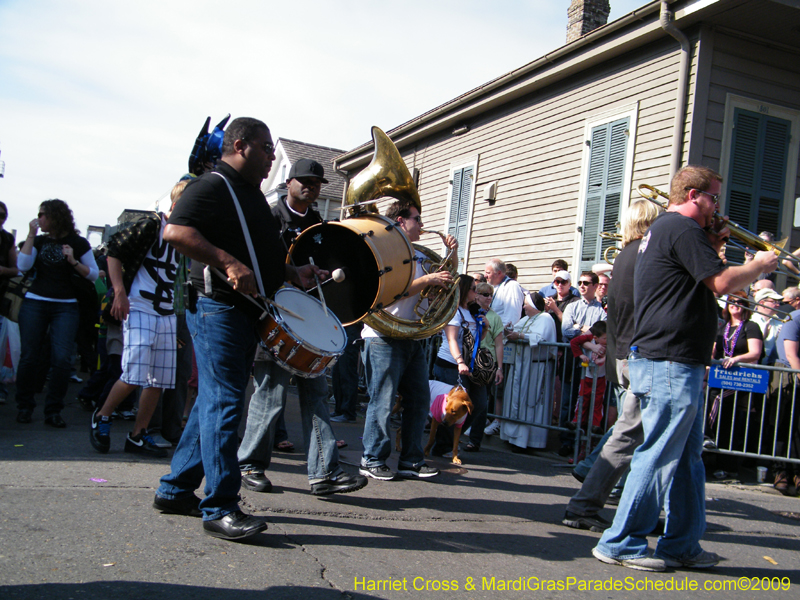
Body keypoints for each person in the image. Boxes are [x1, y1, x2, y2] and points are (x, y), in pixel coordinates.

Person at [592, 165, 777, 572]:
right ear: (694, 196)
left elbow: (692, 278)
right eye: (713, 198)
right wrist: (761, 264)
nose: (717, 207)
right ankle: (621, 542)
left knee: (688, 458)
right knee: (657, 454)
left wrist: (714, 241)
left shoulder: (672, 231)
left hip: (679, 359)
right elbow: (723, 283)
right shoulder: (680, 227)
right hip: (669, 359)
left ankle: (681, 543)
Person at [154, 117, 325, 541]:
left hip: (244, 309)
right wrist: (227, 263)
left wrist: (292, 272)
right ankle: (220, 506)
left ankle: (175, 490)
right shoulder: (213, 185)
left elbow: (261, 254)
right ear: (241, 144)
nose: (273, 159)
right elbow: (175, 231)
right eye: (267, 149)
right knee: (226, 402)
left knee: (211, 403)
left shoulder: (250, 195)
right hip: (218, 307)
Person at [237, 158, 367, 496]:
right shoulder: (269, 218)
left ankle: (324, 473)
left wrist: (323, 275)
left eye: (317, 182)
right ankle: (250, 464)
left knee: (317, 396)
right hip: (276, 315)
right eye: (304, 180)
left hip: (309, 319)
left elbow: (322, 269)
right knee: (270, 395)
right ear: (289, 182)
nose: (310, 186)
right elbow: (257, 261)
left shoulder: (318, 225)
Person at [562, 198, 660, 533]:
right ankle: (601, 503)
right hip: (639, 357)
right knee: (633, 434)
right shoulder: (642, 258)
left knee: (633, 432)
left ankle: (602, 501)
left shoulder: (626, 258)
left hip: (626, 356)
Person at [359, 199, 456, 481]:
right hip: (382, 337)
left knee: (419, 399)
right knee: (383, 401)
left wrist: (453, 253)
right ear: (401, 222)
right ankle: (372, 458)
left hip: (411, 336)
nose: (422, 225)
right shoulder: (387, 252)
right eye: (417, 219)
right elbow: (390, 292)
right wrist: (428, 281)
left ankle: (411, 460)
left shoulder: (422, 256)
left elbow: (447, 280)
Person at [89, 184, 183, 458]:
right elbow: (114, 251)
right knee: (134, 373)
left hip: (166, 312)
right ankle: (102, 416)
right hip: (140, 305)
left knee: (160, 380)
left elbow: (177, 279)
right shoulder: (153, 224)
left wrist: (177, 319)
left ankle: (138, 434)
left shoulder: (184, 236)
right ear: (177, 205)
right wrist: (119, 293)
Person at [14, 200, 99, 426]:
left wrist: (72, 261)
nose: (39, 219)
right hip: (35, 301)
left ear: (55, 216)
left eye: (43, 215)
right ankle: (24, 405)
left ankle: (53, 410)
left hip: (66, 304)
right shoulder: (39, 240)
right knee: (29, 356)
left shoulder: (77, 243)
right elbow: (22, 265)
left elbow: (93, 275)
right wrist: (31, 235)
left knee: (61, 359)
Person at [431, 275, 491, 454]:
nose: (477, 291)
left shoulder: (474, 311)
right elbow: (451, 339)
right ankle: (442, 446)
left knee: (478, 404)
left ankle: (449, 440)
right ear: (464, 290)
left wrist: (485, 327)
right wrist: (460, 361)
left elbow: (476, 341)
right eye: (474, 288)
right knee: (452, 407)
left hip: (471, 367)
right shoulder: (454, 311)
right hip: (451, 364)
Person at [558, 271, 606, 455]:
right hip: (574, 360)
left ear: (595, 286)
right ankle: (567, 442)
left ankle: (584, 445)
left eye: (586, 282)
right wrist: (588, 338)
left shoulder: (600, 310)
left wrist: (580, 329)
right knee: (568, 401)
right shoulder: (572, 306)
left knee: (590, 403)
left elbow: (602, 334)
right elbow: (567, 331)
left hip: (593, 365)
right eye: (580, 282)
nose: (582, 285)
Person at [501, 291, 556, 450]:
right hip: (520, 365)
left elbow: (540, 338)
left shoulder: (546, 318)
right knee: (514, 400)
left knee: (531, 402)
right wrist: (508, 331)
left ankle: (528, 441)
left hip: (535, 368)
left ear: (533, 305)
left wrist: (519, 335)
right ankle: (512, 437)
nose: (524, 306)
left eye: (526, 303)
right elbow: (512, 333)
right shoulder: (526, 319)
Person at [482, 257, 525, 436]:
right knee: (487, 386)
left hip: (502, 345)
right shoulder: (496, 287)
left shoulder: (512, 287)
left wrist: (497, 334)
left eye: (488, 272)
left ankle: (498, 420)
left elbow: (512, 317)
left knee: (498, 387)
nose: (485, 275)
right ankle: (485, 417)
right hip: (489, 343)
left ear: (499, 273)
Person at [569, 320, 607, 433]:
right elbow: (574, 342)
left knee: (598, 400)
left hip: (601, 376)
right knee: (582, 398)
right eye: (604, 339)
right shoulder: (589, 338)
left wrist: (604, 358)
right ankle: (576, 420)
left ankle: (596, 424)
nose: (606, 341)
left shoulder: (610, 343)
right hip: (587, 376)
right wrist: (580, 355)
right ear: (596, 337)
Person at [0, 201, 18, 404]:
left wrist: (3, 271)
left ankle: (1, 387)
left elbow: (16, 269)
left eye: (3, 215)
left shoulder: (6, 239)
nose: (0, 218)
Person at [751, 288, 784, 366]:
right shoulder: (751, 320)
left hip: (772, 365)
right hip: (754, 365)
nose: (778, 305)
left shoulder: (779, 322)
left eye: (778, 302)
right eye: (774, 302)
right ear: (762, 303)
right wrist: (762, 337)